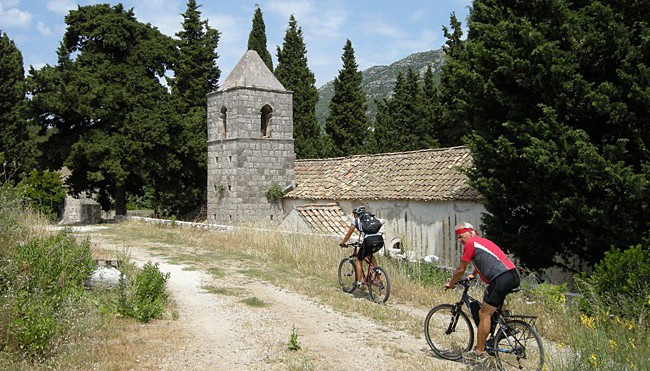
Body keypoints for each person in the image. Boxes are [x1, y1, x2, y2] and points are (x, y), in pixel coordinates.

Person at [445, 222, 520, 365]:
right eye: (458, 238)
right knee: (495, 301)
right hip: (513, 275)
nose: (459, 240)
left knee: (484, 314)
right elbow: (486, 260)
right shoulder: (482, 242)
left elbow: (461, 269)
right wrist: (474, 274)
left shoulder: (470, 244)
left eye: (461, 236)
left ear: (470, 233)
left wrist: (452, 283)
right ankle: (510, 326)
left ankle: (479, 353)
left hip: (501, 278)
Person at [339, 206, 384, 287]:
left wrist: (343, 243)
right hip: (380, 240)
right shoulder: (370, 218)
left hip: (369, 241)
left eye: (354, 214)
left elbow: (348, 235)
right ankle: (377, 270)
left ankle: (358, 283)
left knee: (359, 260)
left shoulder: (356, 221)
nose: (354, 215)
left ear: (356, 214)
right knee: (369, 254)